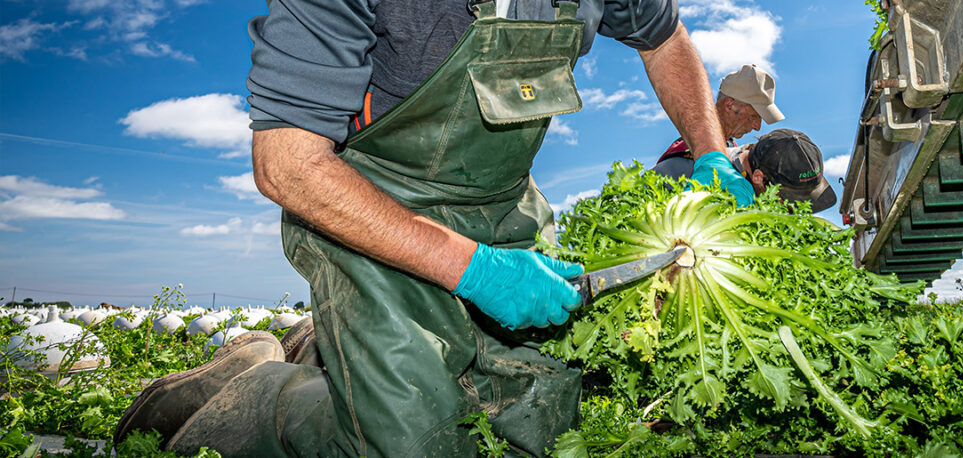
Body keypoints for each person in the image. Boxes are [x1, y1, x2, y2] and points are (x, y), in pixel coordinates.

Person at [113, 0, 753, 456]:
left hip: (503, 204)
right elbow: (286, 164)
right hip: (373, 212)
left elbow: (665, 37)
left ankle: (327, 346)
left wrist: (711, 150)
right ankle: (256, 387)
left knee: (538, 423)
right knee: (411, 443)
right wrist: (472, 268)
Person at [653, 64, 784, 206]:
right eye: (754, 117)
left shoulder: (732, 148)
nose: (757, 127)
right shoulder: (690, 155)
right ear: (730, 106)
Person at [654, 128, 838, 212]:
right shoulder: (681, 172)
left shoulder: (754, 180)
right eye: (786, 200)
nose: (789, 209)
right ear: (758, 178)